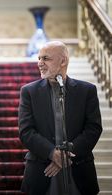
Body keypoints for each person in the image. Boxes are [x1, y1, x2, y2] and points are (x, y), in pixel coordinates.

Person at [18, 41, 102, 195]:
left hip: (78, 170)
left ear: (63, 61)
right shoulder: (29, 92)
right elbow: (26, 132)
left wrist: (65, 156)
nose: (40, 64)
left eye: (46, 58)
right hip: (42, 171)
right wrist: (52, 153)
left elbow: (93, 129)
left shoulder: (87, 91)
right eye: (39, 58)